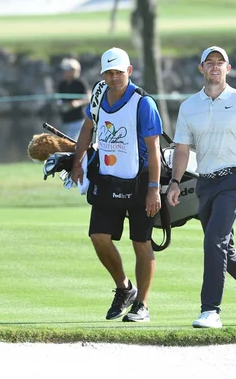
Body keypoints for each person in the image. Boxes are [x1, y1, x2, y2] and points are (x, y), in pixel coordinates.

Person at [167, 46, 236, 329]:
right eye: (210, 63)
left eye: (220, 63)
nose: (215, 67)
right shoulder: (189, 106)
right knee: (224, 247)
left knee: (214, 241)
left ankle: (210, 311)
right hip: (205, 183)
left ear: (228, 69)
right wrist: (174, 182)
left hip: (234, 180)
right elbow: (181, 149)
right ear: (201, 69)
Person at [71, 47, 162, 323]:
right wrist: (77, 162)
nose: (113, 78)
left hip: (140, 181)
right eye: (108, 73)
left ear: (129, 71)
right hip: (107, 178)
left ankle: (142, 305)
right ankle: (125, 288)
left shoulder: (143, 103)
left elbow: (154, 149)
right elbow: (88, 127)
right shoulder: (99, 94)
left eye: (118, 72)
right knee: (98, 237)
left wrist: (154, 189)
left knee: (141, 242)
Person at [57, 58, 89, 140]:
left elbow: (88, 98)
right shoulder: (61, 85)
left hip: (78, 120)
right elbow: (58, 99)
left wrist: (77, 103)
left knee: (75, 142)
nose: (64, 72)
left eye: (67, 70)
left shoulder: (80, 83)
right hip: (65, 120)